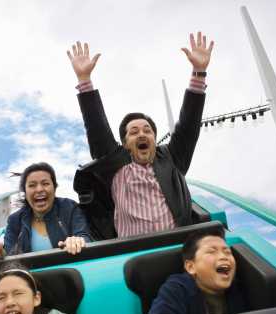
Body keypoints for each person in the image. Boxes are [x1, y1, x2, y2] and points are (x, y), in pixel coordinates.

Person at [68, 32, 213, 239]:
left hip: (178, 248)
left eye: (147, 131)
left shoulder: (172, 158)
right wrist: (84, 80)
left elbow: (188, 125)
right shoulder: (114, 164)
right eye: (134, 132)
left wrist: (199, 72)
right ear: (125, 143)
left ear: (155, 139)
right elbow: (96, 126)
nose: (142, 134)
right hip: (134, 253)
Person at [0, 162, 92, 267]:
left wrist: (78, 240)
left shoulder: (69, 207)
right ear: (25, 192)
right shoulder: (15, 220)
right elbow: (9, 252)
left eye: (45, 183)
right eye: (32, 185)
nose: (39, 189)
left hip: (70, 274)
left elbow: (84, 236)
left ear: (54, 187)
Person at [144, 227, 249, 314]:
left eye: (227, 252)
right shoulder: (176, 289)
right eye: (212, 251)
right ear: (191, 267)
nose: (223, 256)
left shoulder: (241, 288)